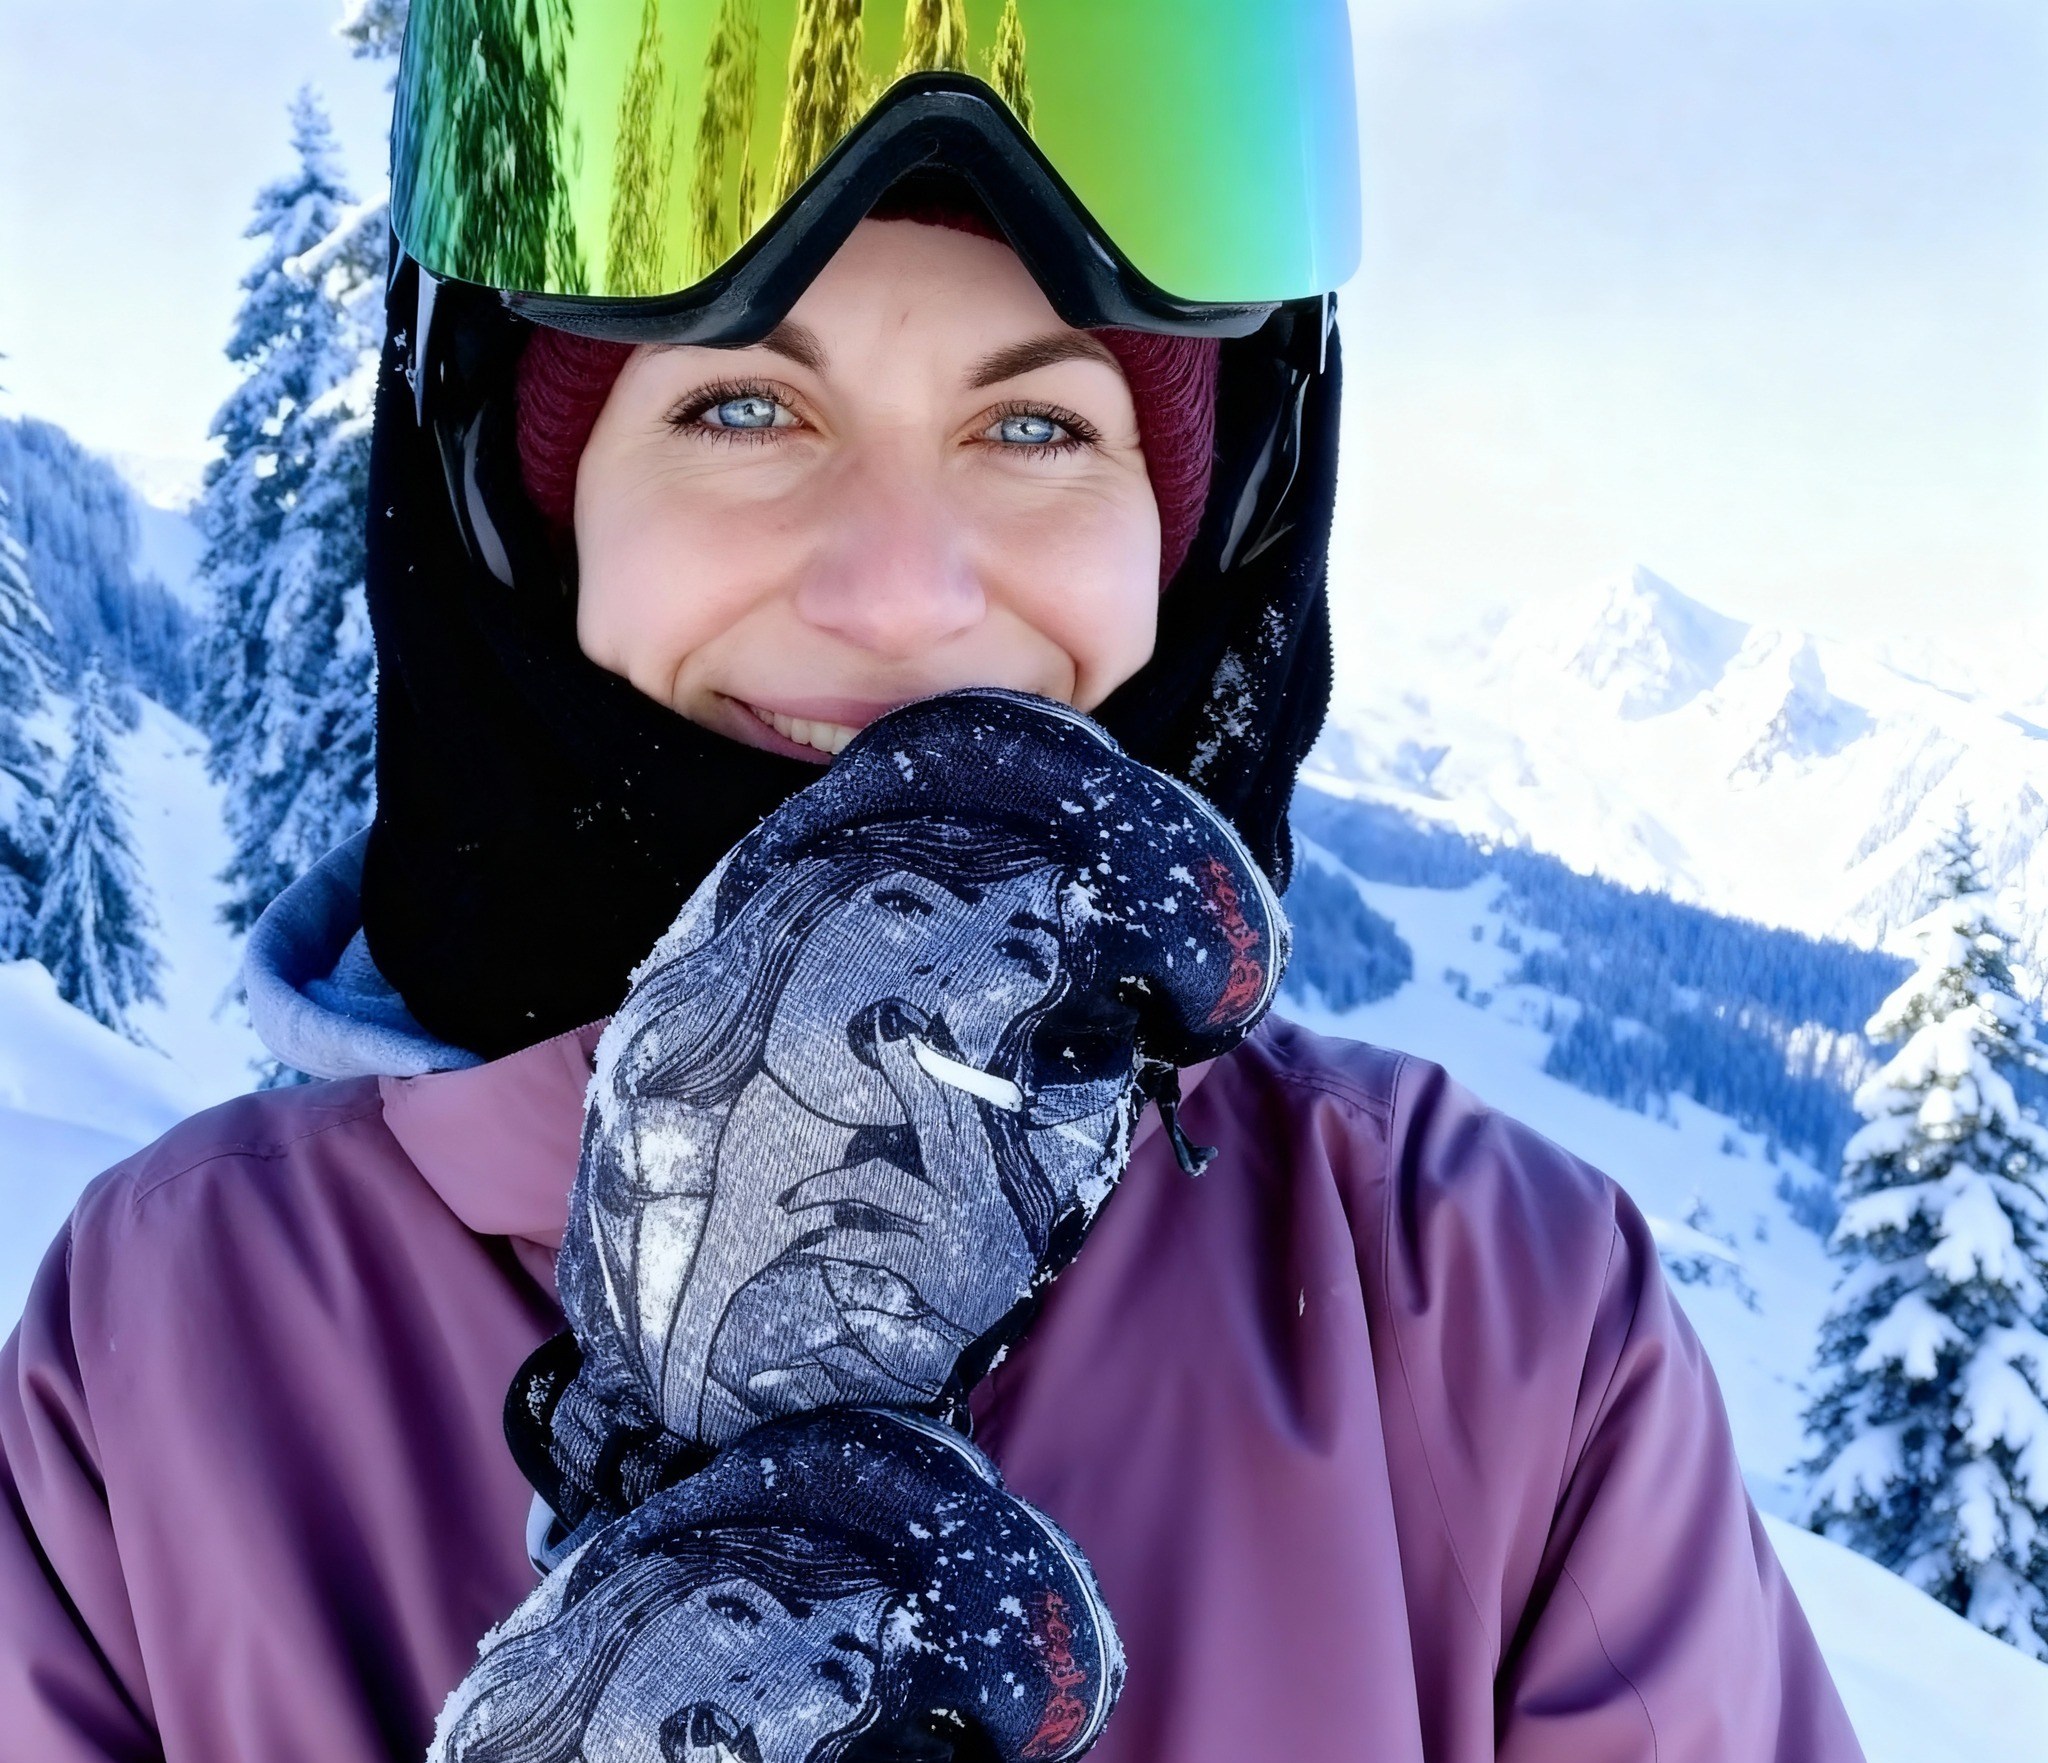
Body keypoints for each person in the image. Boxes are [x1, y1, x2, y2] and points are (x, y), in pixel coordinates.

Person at [0, 3, 1865, 1759]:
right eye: (742, 407)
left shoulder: (1494, 1326)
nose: (900, 591)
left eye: (1039, 425)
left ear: (1199, 532)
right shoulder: (165, 1364)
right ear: (524, 503)